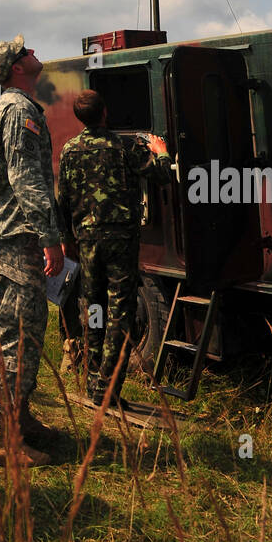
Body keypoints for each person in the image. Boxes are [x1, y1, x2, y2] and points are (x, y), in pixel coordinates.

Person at [0, 36, 65, 466]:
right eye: (25, 50)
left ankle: (19, 415)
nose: (33, 51)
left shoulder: (18, 106)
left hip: (17, 233)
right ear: (16, 67)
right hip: (18, 235)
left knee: (28, 328)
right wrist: (50, 236)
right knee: (20, 334)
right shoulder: (17, 110)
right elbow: (26, 179)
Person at [57, 90, 169, 409]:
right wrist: (160, 150)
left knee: (93, 305)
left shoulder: (70, 149)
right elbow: (161, 175)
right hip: (120, 240)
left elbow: (62, 200)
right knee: (121, 309)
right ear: (105, 112)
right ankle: (107, 386)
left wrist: (67, 239)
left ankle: (93, 379)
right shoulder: (125, 146)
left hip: (87, 241)